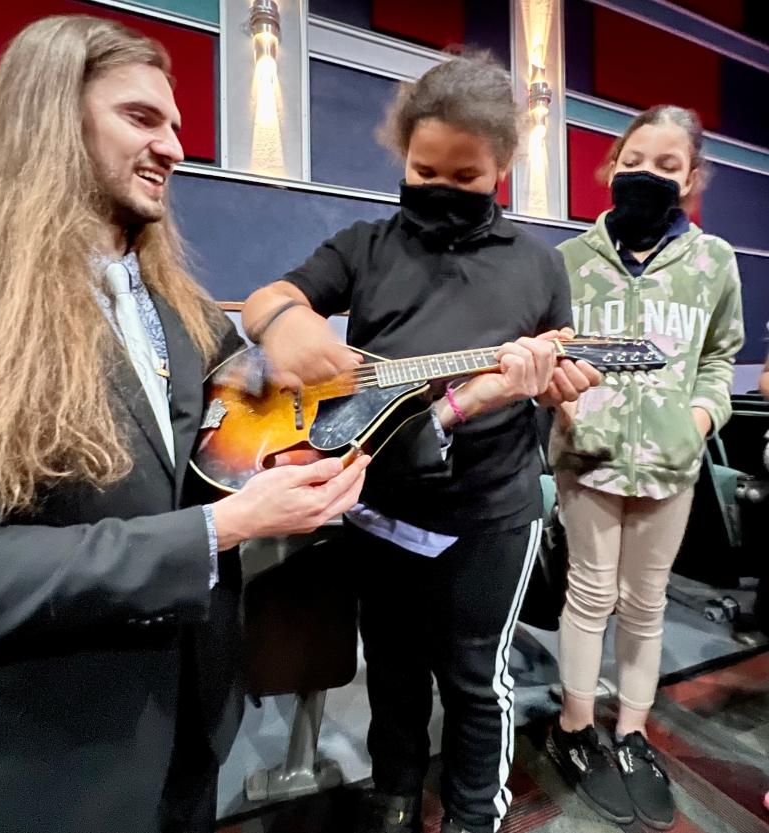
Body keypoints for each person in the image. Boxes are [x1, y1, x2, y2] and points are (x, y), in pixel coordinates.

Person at [0, 15, 370, 833]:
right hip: (39, 767)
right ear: (49, 119)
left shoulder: (183, 315)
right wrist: (216, 530)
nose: (176, 149)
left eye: (176, 125)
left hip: (192, 740)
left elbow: (274, 423)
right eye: (142, 119)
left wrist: (455, 387)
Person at [242, 54, 600, 833]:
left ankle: (475, 816)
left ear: (502, 166)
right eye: (422, 167)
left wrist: (554, 388)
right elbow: (270, 298)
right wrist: (286, 321)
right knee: (395, 672)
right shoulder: (365, 246)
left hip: (489, 516)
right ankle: (394, 796)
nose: (438, 186)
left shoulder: (539, 267)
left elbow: (554, 391)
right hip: (381, 507)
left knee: (476, 680)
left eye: (464, 175)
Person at [547, 105, 745, 830]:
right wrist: (568, 411)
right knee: (589, 594)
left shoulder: (714, 262)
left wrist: (697, 422)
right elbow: (550, 355)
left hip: (671, 463)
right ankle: (574, 726)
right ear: (609, 167)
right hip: (588, 461)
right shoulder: (568, 261)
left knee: (647, 601)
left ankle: (630, 731)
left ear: (692, 179)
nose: (647, 175)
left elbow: (721, 359)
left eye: (668, 165)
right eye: (634, 161)